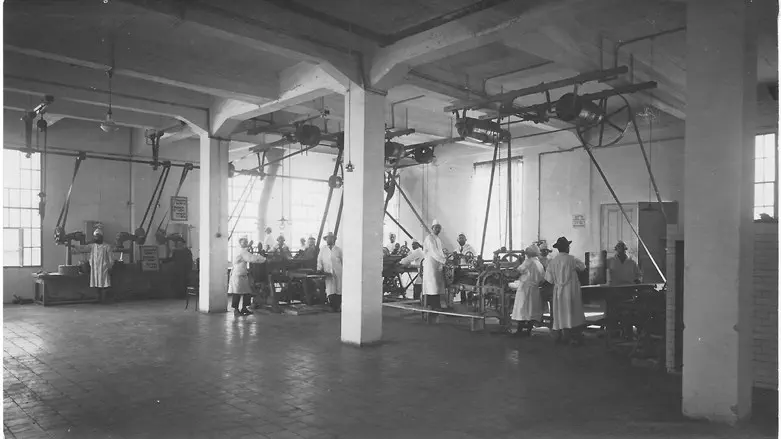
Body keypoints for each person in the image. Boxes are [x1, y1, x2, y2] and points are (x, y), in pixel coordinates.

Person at [542, 236, 587, 346]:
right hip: (571, 290)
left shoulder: (552, 262)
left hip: (559, 291)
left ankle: (562, 334)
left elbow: (549, 279)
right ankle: (573, 335)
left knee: (561, 312)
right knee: (573, 311)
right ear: (567, 248)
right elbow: (583, 267)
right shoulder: (572, 259)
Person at [510, 245, 546, 337]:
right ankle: (528, 331)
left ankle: (519, 331)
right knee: (531, 311)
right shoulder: (539, 264)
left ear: (528, 254)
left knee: (522, 310)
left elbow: (517, 271)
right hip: (535, 289)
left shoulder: (528, 262)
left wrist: (518, 262)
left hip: (525, 289)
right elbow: (542, 279)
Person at [228, 236, 266, 316]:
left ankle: (244, 308)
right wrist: (264, 259)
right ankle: (236, 310)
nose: (246, 243)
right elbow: (252, 258)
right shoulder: (242, 251)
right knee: (237, 293)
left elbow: (246, 252)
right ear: (240, 243)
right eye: (244, 242)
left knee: (247, 292)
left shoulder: (242, 250)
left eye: (246, 242)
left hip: (243, 274)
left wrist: (249, 246)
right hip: (238, 275)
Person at [75, 228, 114, 302]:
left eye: (98, 236)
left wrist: (110, 267)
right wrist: (73, 246)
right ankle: (98, 298)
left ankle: (104, 299)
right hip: (95, 268)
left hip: (104, 268)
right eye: (95, 236)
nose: (97, 238)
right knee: (96, 283)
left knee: (104, 284)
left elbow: (111, 258)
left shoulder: (107, 246)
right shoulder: (92, 246)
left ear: (101, 237)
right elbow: (83, 248)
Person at [422, 220, 448, 310]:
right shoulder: (429, 238)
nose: (438, 229)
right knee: (432, 286)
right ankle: (432, 306)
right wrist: (444, 260)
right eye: (436, 227)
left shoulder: (438, 239)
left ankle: (437, 305)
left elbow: (440, 252)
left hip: (437, 265)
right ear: (432, 228)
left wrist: (445, 259)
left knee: (437, 286)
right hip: (431, 265)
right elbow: (433, 252)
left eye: (439, 228)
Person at [317, 232, 343, 312]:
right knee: (330, 289)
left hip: (338, 271)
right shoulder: (323, 249)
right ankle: (332, 306)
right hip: (328, 272)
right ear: (326, 240)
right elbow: (319, 260)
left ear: (334, 239)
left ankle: (338, 306)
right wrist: (319, 269)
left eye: (331, 238)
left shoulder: (338, 249)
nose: (329, 240)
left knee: (339, 288)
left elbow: (343, 260)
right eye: (328, 238)